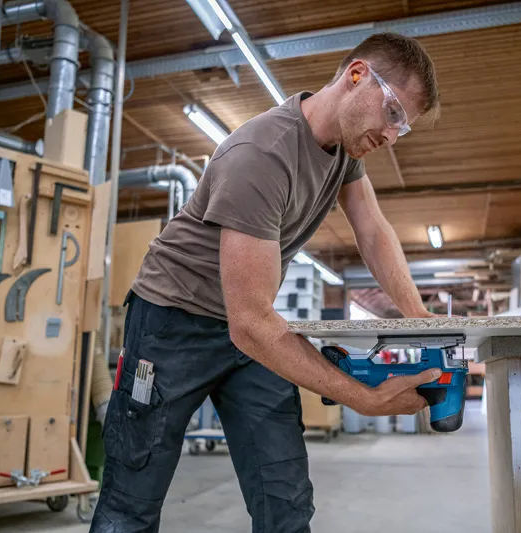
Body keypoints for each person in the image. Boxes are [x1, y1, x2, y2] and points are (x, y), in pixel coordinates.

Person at [91, 32, 441, 533]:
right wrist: (362, 398)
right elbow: (251, 324)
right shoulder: (261, 154)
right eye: (392, 113)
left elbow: (372, 228)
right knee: (132, 500)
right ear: (357, 76)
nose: (391, 135)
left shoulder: (344, 146)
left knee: (286, 499)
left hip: (245, 327)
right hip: (171, 325)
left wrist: (417, 316)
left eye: (401, 127)